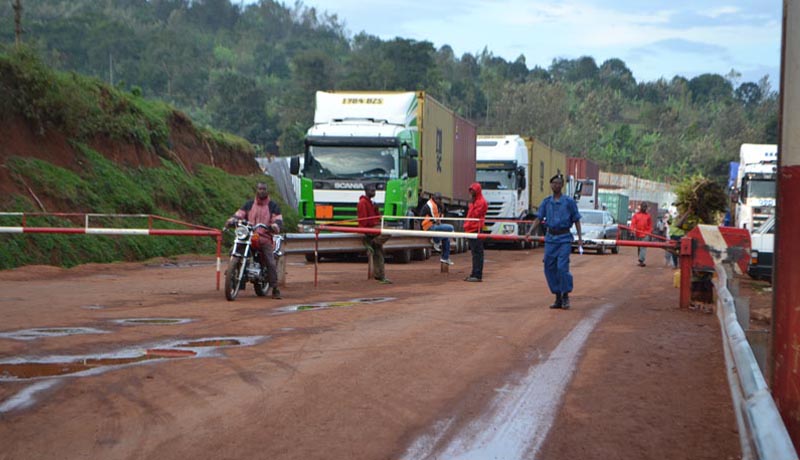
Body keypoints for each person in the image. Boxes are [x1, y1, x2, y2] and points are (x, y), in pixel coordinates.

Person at [529, 174, 582, 309]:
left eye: (559, 183)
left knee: (562, 268)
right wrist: (529, 232)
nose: (556, 185)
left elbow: (576, 219)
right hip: (551, 239)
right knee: (549, 267)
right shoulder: (546, 202)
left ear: (562, 185)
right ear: (551, 185)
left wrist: (580, 238)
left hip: (564, 239)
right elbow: (539, 218)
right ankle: (557, 295)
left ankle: (565, 295)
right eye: (554, 183)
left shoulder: (569, 202)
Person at [226, 182, 283, 299]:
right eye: (259, 189)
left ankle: (275, 287)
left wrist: (275, 226)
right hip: (249, 236)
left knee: (270, 261)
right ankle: (233, 277)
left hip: (264, 237)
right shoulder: (249, 204)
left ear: (267, 191)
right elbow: (239, 214)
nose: (261, 191)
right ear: (256, 190)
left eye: (264, 189)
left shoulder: (273, 206)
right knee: (233, 250)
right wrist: (232, 221)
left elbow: (278, 220)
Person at [358, 183, 391, 284]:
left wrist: (376, 209)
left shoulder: (371, 203)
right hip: (368, 230)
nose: (374, 192)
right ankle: (372, 242)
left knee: (379, 252)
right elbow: (364, 221)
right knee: (388, 232)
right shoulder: (363, 203)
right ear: (366, 191)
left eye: (374, 190)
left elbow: (377, 218)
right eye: (372, 190)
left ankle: (380, 275)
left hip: (373, 229)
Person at [420, 192, 454, 265]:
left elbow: (439, 219)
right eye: (437, 199)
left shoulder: (437, 205)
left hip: (432, 225)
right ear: (434, 198)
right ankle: (436, 241)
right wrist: (439, 221)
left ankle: (445, 258)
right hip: (427, 226)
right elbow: (437, 220)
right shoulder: (431, 205)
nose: (438, 200)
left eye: (439, 199)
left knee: (446, 237)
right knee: (451, 228)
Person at [463, 182, 488, 282]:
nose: (471, 193)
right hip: (471, 229)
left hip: (476, 230)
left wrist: (472, 204)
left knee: (477, 253)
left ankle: (477, 275)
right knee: (475, 253)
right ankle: (474, 274)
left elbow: (475, 215)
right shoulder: (474, 202)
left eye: (472, 190)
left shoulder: (481, 202)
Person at [630, 202, 653, 267]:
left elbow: (650, 225)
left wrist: (649, 233)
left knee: (643, 246)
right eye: (643, 206)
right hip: (638, 234)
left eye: (645, 207)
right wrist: (632, 230)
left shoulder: (648, 216)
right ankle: (641, 260)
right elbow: (633, 224)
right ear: (641, 207)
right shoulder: (636, 215)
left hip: (645, 234)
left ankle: (641, 260)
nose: (644, 208)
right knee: (639, 247)